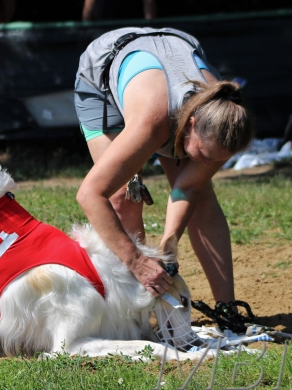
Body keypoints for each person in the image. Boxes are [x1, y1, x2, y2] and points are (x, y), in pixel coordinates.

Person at [74, 27, 254, 303]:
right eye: (205, 154)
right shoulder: (154, 123)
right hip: (104, 73)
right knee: (123, 195)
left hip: (171, 54)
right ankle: (135, 313)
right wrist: (138, 261)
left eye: (218, 159)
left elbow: (189, 188)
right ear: (190, 125)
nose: (208, 164)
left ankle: (227, 309)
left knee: (203, 198)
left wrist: (168, 244)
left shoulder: (226, 125)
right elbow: (90, 195)